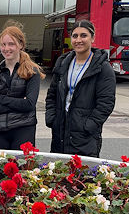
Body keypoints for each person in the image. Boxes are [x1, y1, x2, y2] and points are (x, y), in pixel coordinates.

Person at [45, 19, 116, 157]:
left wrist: (88, 125)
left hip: (85, 135)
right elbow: (52, 94)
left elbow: (106, 103)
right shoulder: (63, 63)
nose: (79, 40)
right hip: (60, 129)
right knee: (60, 171)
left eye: (84, 35)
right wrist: (52, 118)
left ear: (93, 38)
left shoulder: (102, 68)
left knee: (82, 176)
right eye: (75, 36)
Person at [0, 25, 45, 149]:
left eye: (11, 44)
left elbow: (29, 104)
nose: (6, 48)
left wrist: (1, 99)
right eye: (3, 44)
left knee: (23, 167)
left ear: (21, 45)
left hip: (23, 129)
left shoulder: (32, 72)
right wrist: (19, 103)